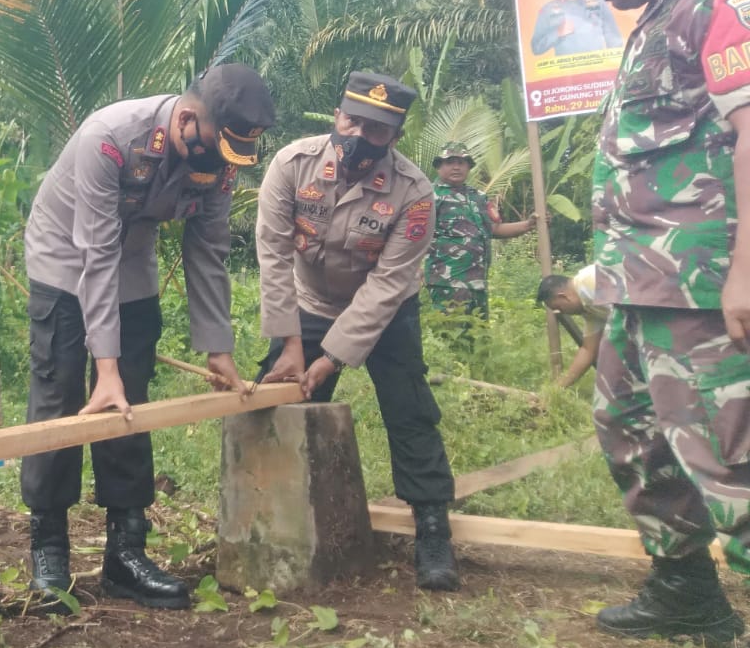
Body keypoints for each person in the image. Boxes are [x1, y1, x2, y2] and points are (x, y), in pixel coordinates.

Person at [554, 0, 750, 648]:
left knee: (727, 456)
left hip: (703, 285)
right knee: (632, 436)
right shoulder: (658, 20)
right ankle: (686, 595)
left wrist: (748, 264)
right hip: (644, 289)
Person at [19, 64, 274, 611]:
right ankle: (50, 549)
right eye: (211, 148)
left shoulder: (220, 157)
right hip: (66, 254)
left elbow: (207, 252)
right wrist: (101, 368)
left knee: (130, 398)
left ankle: (125, 553)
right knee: (62, 393)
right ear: (186, 120)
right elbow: (94, 253)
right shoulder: (109, 138)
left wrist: (219, 350)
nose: (220, 167)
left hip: (131, 258)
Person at [256, 72, 460, 591]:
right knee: (278, 402)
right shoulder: (292, 164)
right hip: (309, 302)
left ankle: (432, 528)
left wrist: (333, 356)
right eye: (353, 121)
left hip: (386, 311)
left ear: (395, 135)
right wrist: (294, 345)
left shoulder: (415, 192)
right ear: (336, 114)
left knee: (409, 409)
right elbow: (274, 257)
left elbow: (388, 284)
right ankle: (268, 516)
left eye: (375, 131)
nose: (358, 137)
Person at [423, 142, 536, 319]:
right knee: (452, 338)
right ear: (439, 166)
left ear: (469, 167)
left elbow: (491, 230)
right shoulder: (429, 195)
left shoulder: (478, 197)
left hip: (477, 283)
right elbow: (414, 234)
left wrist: (528, 225)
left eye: (462, 163)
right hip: (447, 283)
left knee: (479, 339)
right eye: (450, 162)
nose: (456, 167)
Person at [536, 266, 606, 387]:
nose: (561, 312)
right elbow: (588, 350)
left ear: (563, 296)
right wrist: (557, 389)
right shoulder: (589, 309)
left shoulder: (591, 282)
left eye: (558, 308)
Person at [530, 0, 622, 56]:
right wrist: (557, 33)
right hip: (566, 71)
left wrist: (615, 66)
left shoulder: (598, 2)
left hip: (596, 69)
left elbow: (614, 39)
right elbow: (536, 48)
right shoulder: (548, 10)